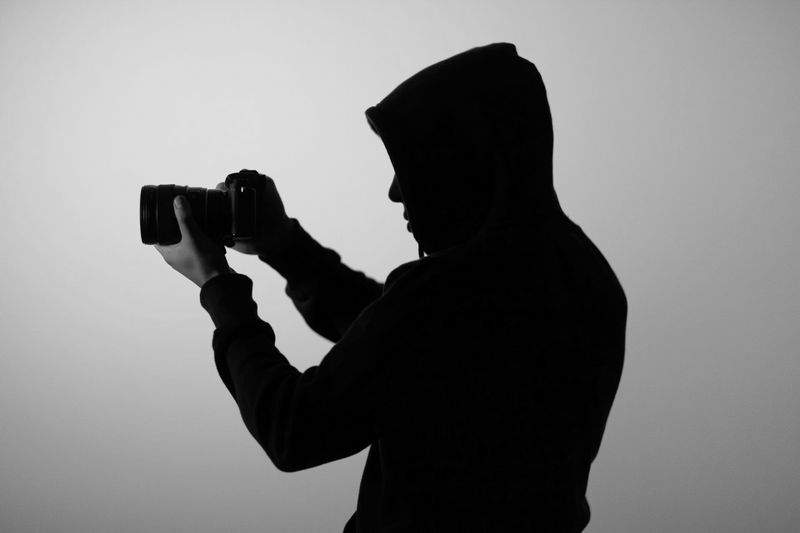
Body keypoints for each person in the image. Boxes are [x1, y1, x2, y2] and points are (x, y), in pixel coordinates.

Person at [155, 42, 627, 533]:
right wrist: (282, 244)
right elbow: (402, 339)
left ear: (462, 159)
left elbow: (294, 427)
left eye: (412, 166)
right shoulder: (583, 274)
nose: (395, 191)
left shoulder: (450, 294)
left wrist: (218, 286)